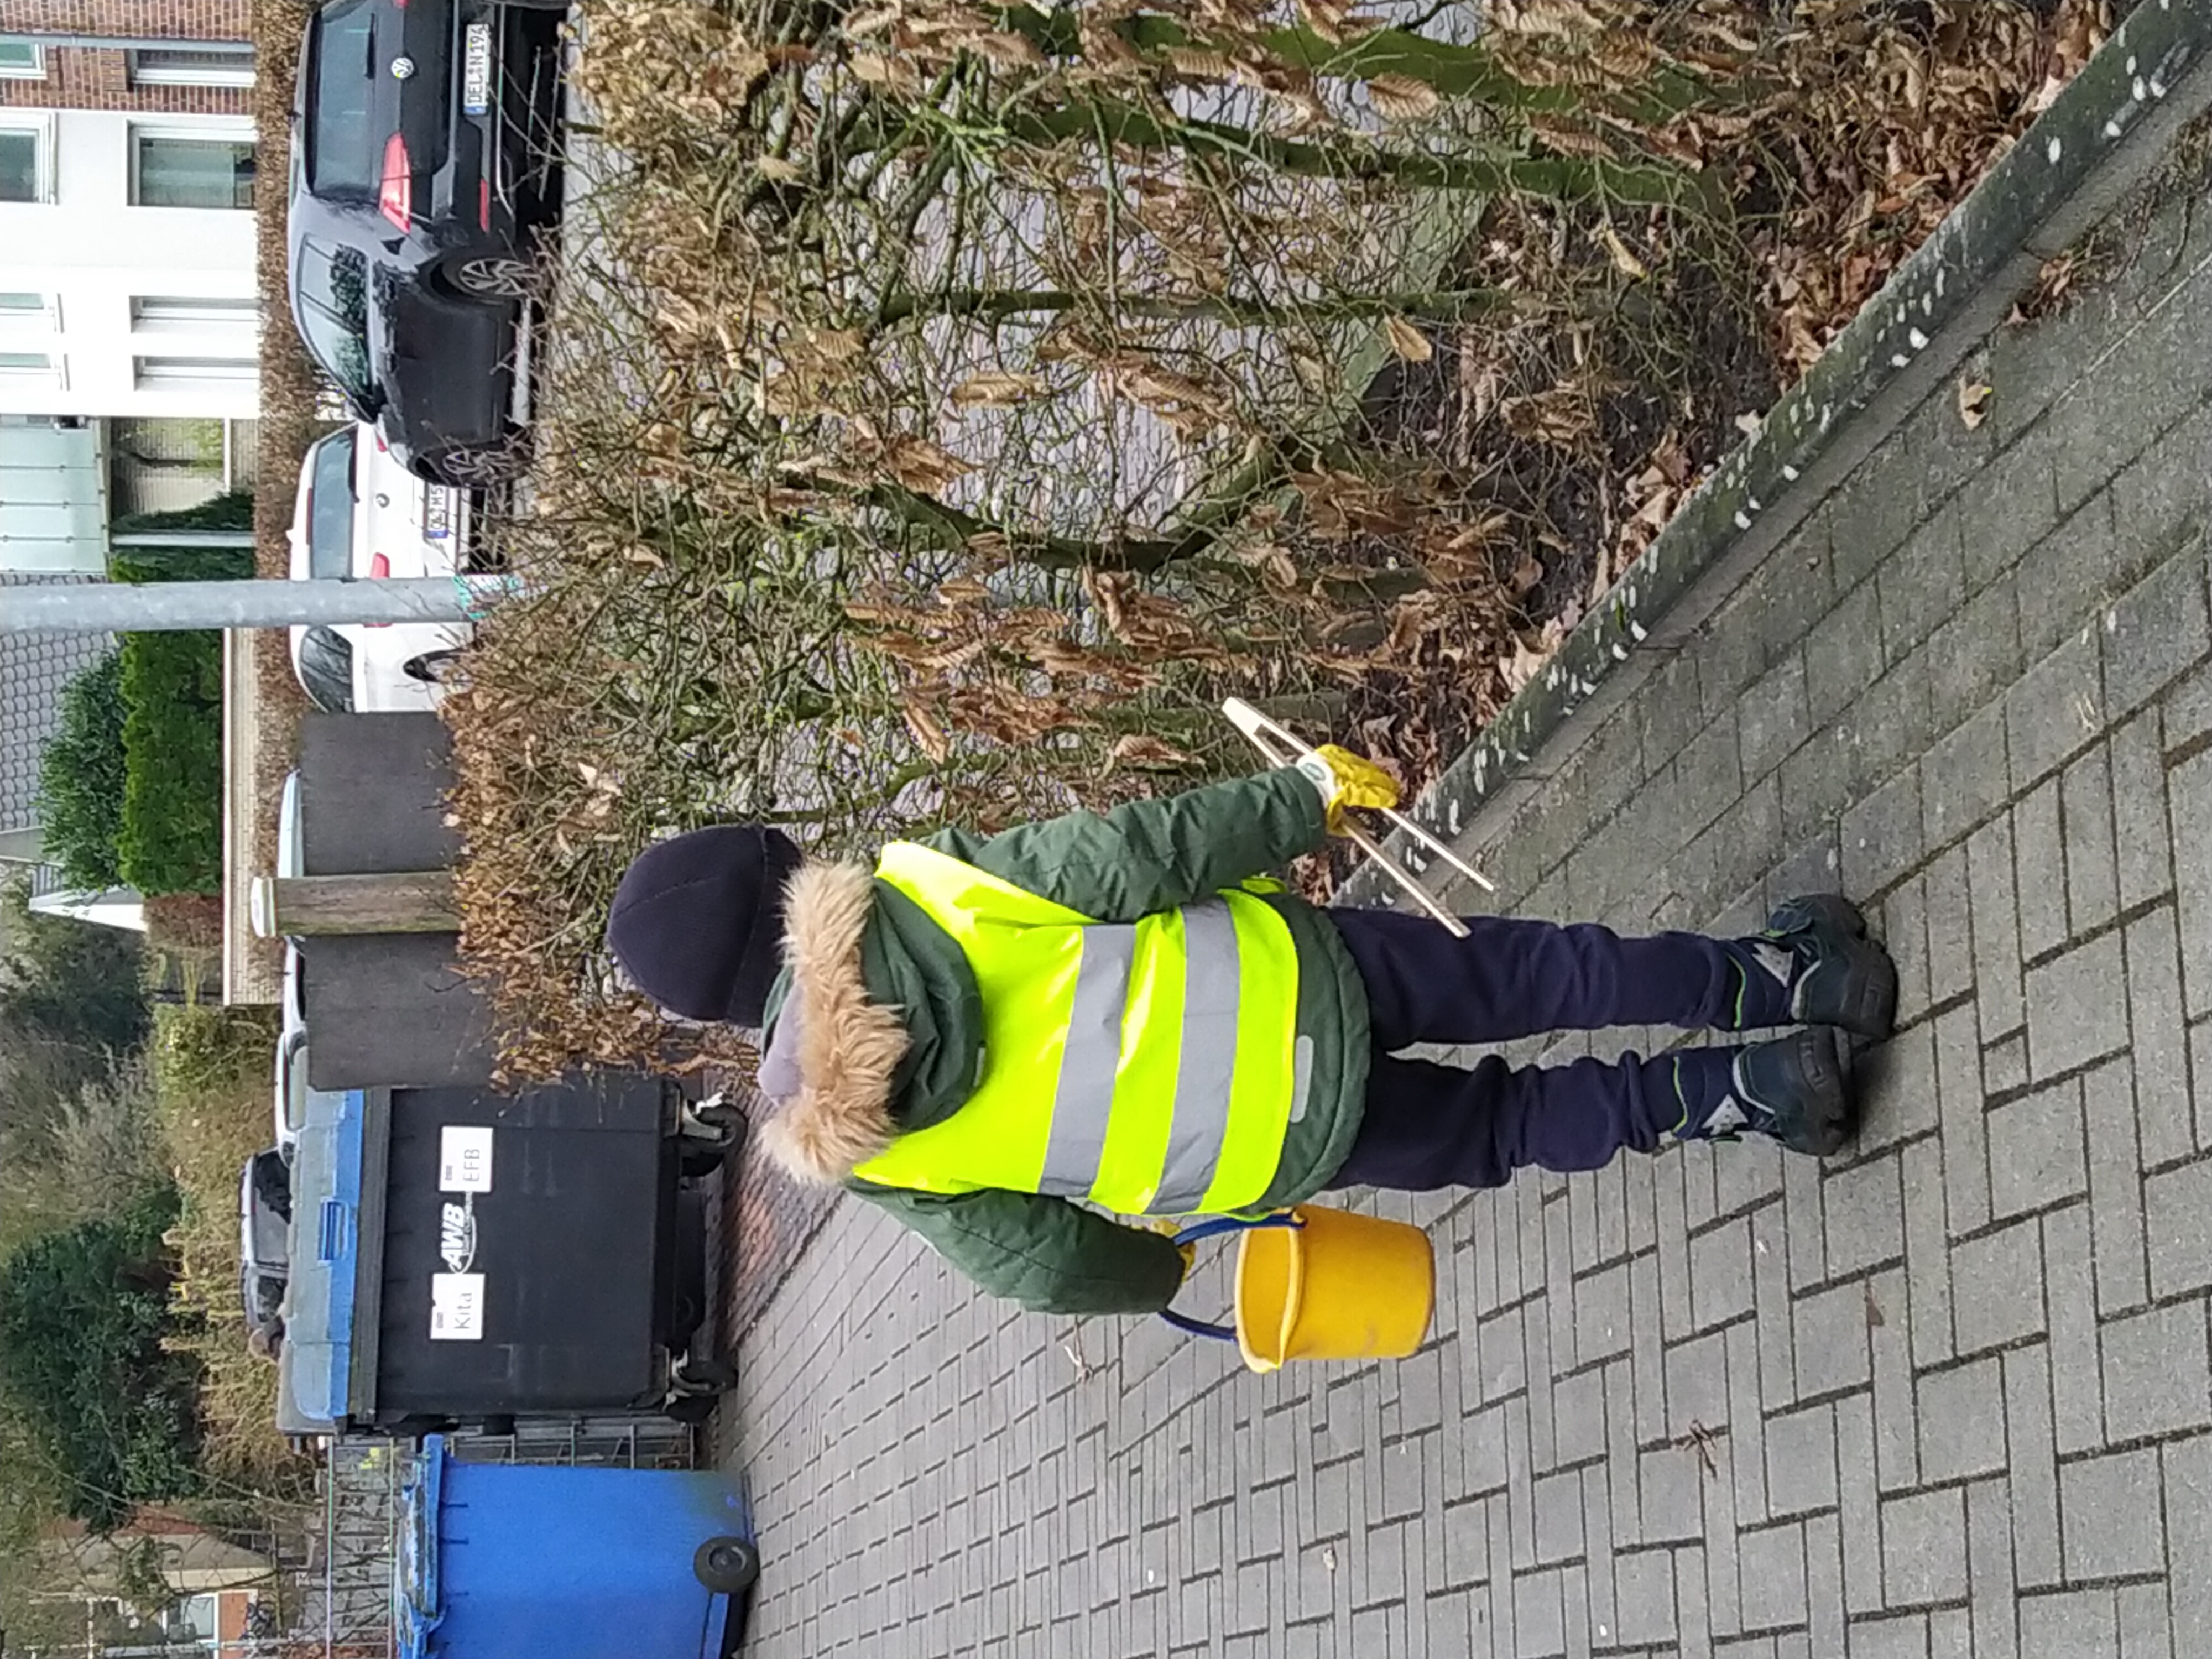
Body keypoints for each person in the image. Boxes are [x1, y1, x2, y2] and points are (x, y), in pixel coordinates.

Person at [606, 750, 1896, 1316]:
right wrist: (1301, 797)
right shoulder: (922, 890)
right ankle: (1778, 981)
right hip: (1314, 978)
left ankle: (1756, 1092)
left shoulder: (864, 1153)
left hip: (1277, 1142)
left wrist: (1153, 1277)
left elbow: (1033, 1266)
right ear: (781, 876)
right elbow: (1131, 856)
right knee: (1544, 977)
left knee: (1506, 1126)